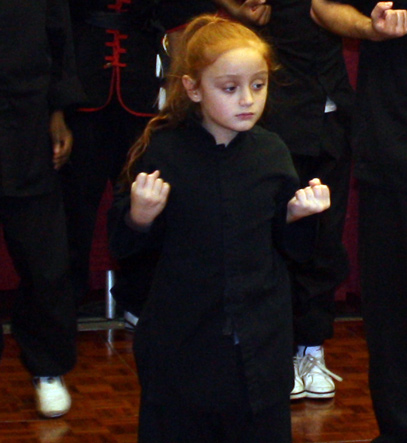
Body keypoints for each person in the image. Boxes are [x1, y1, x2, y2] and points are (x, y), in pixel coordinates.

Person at [109, 14, 331, 442]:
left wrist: (298, 217)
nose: (247, 99)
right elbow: (127, 246)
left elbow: (294, 251)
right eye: (229, 88)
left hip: (260, 347)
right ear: (193, 88)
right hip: (182, 346)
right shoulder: (166, 151)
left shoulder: (272, 152)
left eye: (259, 85)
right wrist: (139, 214)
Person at [311, 1, 407, 441]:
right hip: (397, 149)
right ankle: (405, 435)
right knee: (396, 320)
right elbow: (322, 7)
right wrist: (368, 28)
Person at [203, 0, 353, 400]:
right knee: (276, 239)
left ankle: (311, 348)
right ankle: (278, 352)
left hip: (331, 111)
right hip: (279, 111)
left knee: (325, 236)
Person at [0, 0, 84, 418]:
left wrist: (58, 112)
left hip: (28, 121)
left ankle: (48, 368)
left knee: (45, 262)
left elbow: (60, 40)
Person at [62, 0, 161, 321]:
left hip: (140, 80)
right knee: (76, 206)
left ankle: (136, 297)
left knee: (140, 201)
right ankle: (67, 300)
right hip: (84, 83)